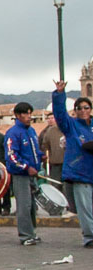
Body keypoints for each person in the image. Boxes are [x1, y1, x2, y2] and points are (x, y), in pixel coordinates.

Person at [52, 83, 93, 247]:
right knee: (86, 207)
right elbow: (60, 114)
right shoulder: (71, 126)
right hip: (80, 172)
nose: (83, 110)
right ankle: (90, 236)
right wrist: (59, 94)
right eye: (79, 108)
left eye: (86, 107)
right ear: (75, 110)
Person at [4, 102, 42, 245]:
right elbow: (12, 156)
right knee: (24, 205)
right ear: (17, 116)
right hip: (21, 174)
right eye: (25, 114)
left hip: (32, 174)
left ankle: (32, 232)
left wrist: (41, 156)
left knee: (32, 206)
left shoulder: (31, 131)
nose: (28, 117)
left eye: (30, 113)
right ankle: (25, 236)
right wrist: (26, 167)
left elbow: (34, 150)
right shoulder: (13, 133)